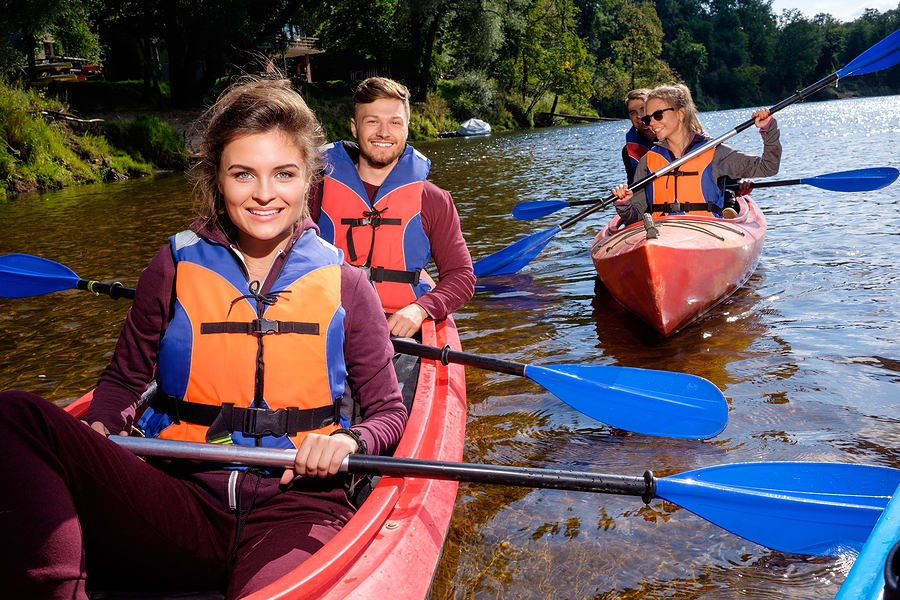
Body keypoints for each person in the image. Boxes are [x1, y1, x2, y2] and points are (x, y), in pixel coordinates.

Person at [0, 78, 407, 599]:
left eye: (284, 174)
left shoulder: (348, 283)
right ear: (218, 179)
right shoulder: (171, 266)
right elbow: (125, 378)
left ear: (309, 180)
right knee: (16, 415)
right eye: (243, 174)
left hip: (295, 507)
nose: (264, 194)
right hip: (181, 496)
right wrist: (101, 427)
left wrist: (350, 440)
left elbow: (389, 415)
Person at [308, 77, 475, 339]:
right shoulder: (314, 190)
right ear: (354, 128)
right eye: (372, 121)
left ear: (407, 128)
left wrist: (421, 309)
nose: (384, 133)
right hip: (329, 324)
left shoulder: (434, 200)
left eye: (394, 122)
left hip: (398, 331)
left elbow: (461, 276)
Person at [610, 83, 781, 226]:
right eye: (648, 119)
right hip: (663, 235)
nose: (652, 123)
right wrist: (623, 204)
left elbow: (768, 167)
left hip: (706, 233)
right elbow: (635, 217)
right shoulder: (648, 161)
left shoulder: (714, 152)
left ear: (681, 114)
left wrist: (768, 129)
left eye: (658, 115)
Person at [622, 88, 657, 185]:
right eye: (633, 113)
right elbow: (632, 183)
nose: (639, 116)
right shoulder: (627, 151)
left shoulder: (670, 139)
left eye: (643, 109)